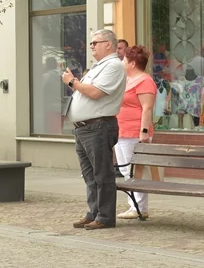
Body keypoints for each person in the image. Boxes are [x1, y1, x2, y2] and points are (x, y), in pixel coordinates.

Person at [63, 29, 127, 231]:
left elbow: (95, 93)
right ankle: (94, 213)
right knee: (89, 175)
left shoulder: (114, 66)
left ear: (109, 44)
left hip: (98, 126)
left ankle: (106, 216)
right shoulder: (97, 67)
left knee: (102, 174)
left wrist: (72, 82)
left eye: (95, 43)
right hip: (84, 128)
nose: (91, 46)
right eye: (91, 43)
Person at [115, 45, 157, 220]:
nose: (122, 62)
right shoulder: (127, 80)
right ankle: (135, 206)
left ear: (132, 63)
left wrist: (144, 132)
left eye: (124, 59)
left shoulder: (145, 81)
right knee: (127, 171)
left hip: (134, 132)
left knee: (135, 171)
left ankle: (138, 207)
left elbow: (147, 108)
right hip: (121, 131)